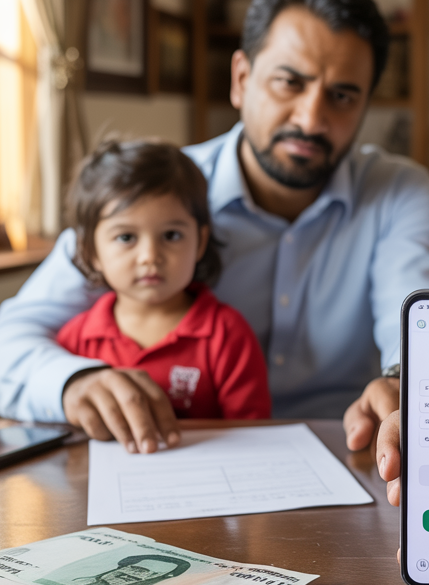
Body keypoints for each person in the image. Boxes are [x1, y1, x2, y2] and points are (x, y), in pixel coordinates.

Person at [0, 0, 429, 567]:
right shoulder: (153, 197)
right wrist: (74, 382)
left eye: (343, 96)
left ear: (367, 102)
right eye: (289, 82)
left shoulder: (400, 191)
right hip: (173, 488)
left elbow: (419, 318)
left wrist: (412, 382)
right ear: (241, 78)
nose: (312, 118)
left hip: (351, 488)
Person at [56, 139, 271, 433]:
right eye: (126, 238)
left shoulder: (228, 335)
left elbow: (254, 438)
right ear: (91, 252)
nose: (150, 257)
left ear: (200, 242)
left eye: (171, 235)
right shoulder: (75, 341)